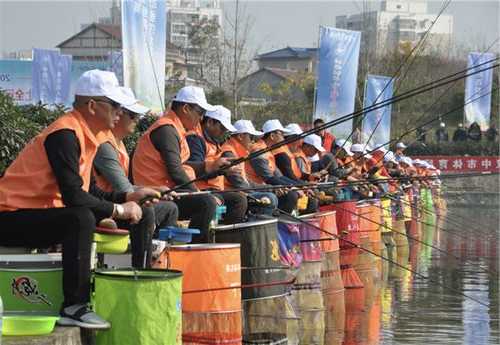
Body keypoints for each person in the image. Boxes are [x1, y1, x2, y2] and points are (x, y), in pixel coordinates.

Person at [0, 70, 160, 329]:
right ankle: (75, 306)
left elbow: (91, 192)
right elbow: (74, 197)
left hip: (39, 214)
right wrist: (118, 209)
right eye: (115, 105)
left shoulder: (88, 136)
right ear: (93, 105)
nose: (120, 112)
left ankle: (139, 287)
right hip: (9, 216)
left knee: (138, 212)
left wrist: (129, 196)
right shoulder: (64, 133)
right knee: (79, 218)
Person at [93, 87, 179, 268]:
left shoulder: (120, 143)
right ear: (117, 113)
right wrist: (149, 192)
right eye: (132, 116)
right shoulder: (104, 145)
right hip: (104, 205)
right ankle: (141, 269)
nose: (137, 120)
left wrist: (155, 191)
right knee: (146, 212)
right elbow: (124, 189)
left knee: (170, 208)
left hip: (119, 200)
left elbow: (128, 188)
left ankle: (160, 261)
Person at [132, 86, 218, 242]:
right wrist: (197, 192)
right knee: (206, 202)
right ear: (186, 108)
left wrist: (209, 166)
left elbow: (182, 165)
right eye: (200, 113)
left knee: (210, 200)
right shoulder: (167, 129)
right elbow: (176, 171)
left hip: (168, 190)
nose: (201, 119)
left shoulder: (176, 129)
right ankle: (197, 248)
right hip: (154, 192)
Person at [185, 105, 247, 224]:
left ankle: (229, 235)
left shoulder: (214, 142)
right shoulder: (195, 139)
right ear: (209, 122)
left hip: (214, 190)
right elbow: (194, 172)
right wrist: (221, 170)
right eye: (222, 128)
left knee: (240, 198)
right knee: (238, 200)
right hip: (201, 190)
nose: (224, 133)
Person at [220, 119, 278, 216]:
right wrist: (268, 190)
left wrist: (270, 188)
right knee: (270, 198)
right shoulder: (229, 152)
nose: (253, 141)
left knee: (271, 196)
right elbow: (239, 183)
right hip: (232, 193)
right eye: (251, 137)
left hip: (241, 191)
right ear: (240, 136)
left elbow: (246, 181)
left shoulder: (240, 151)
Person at [245, 119, 299, 213]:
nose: (284, 138)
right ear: (272, 136)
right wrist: (292, 187)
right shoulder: (259, 151)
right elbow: (268, 178)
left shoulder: (268, 150)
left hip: (264, 187)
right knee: (291, 195)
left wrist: (299, 186)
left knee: (295, 193)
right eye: (281, 134)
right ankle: (281, 225)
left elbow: (279, 176)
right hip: (254, 188)